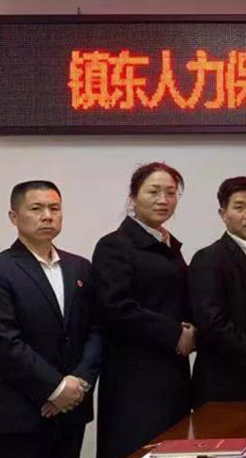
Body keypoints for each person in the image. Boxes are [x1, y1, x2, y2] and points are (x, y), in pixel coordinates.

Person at [0, 181, 102, 458]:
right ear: (14, 217)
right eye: (36, 208)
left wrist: (78, 384)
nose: (47, 216)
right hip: (19, 417)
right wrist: (55, 388)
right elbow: (2, 341)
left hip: (72, 412)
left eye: (54, 208)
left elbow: (96, 330)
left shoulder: (80, 267)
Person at [92, 162, 194, 458]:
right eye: (153, 192)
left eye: (170, 193)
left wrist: (195, 329)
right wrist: (175, 334)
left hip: (172, 374)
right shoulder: (115, 245)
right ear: (133, 197)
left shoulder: (168, 245)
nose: (163, 200)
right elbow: (116, 307)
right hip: (133, 378)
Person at [189, 176, 246, 405]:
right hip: (225, 384)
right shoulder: (208, 259)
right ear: (223, 214)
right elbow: (213, 323)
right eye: (239, 207)